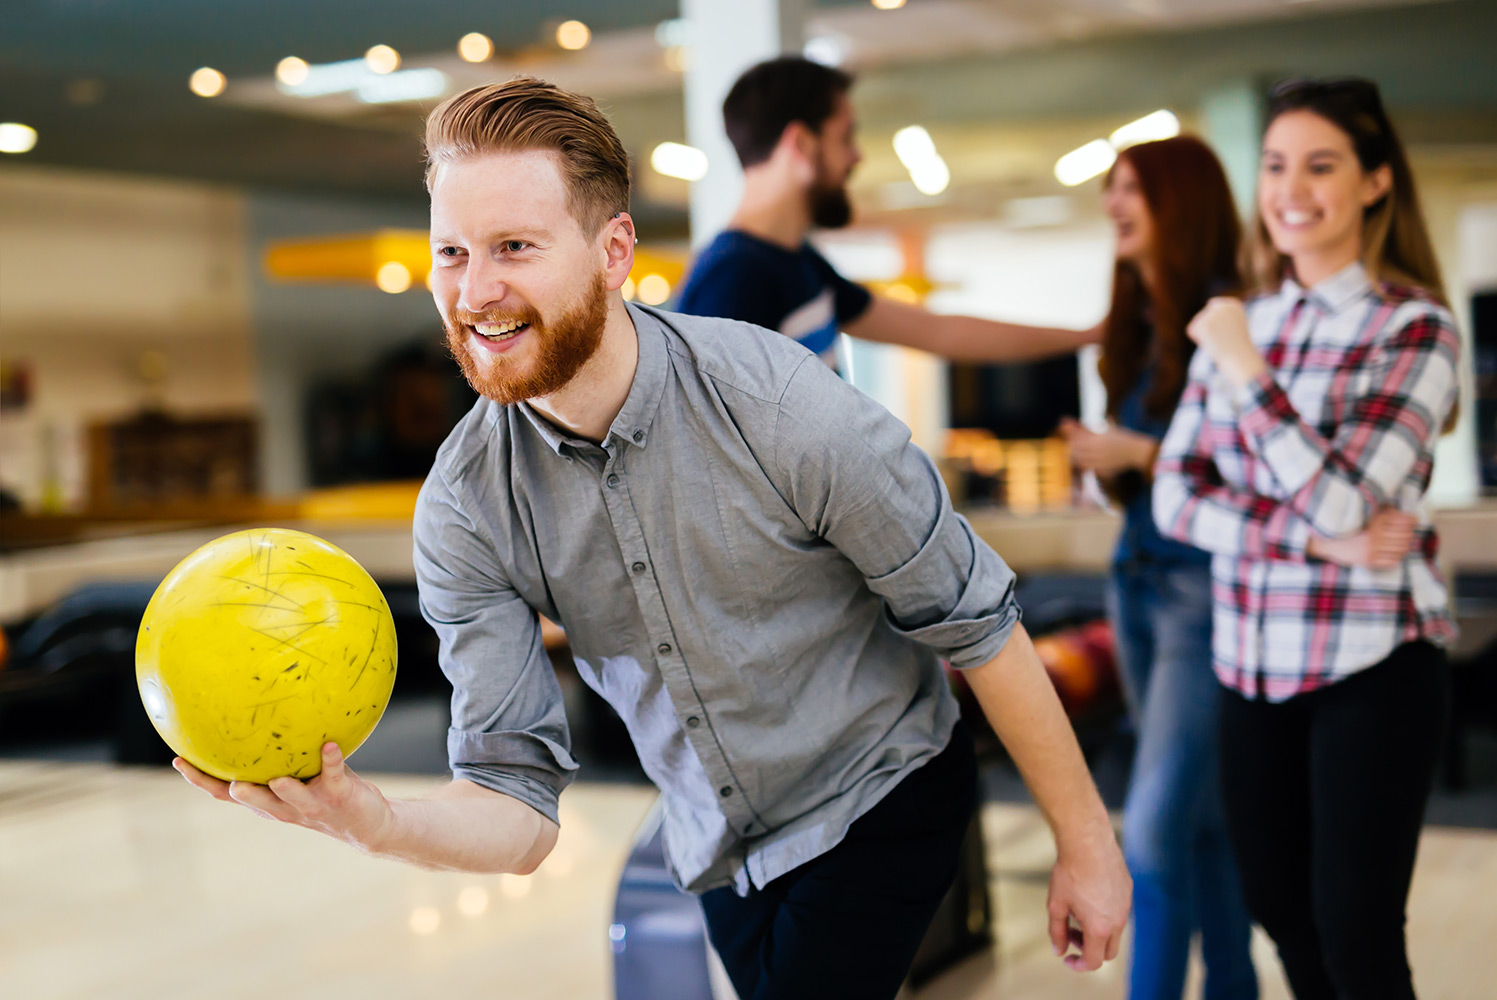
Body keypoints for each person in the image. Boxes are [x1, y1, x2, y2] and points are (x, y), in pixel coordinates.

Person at [172, 77, 1130, 999]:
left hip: (880, 790)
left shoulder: (778, 404)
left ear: (614, 249)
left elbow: (977, 620)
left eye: (514, 246)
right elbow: (518, 807)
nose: (476, 291)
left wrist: (1086, 844)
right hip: (716, 846)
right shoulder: (466, 505)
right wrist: (372, 821)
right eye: (452, 253)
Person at [1153, 77, 1460, 999]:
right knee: (1282, 916)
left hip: (1371, 661)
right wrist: (1316, 546)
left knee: (1356, 932)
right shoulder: (1238, 319)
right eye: (1277, 165)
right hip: (1250, 660)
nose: (1291, 187)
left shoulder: (1412, 330)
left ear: (1374, 183)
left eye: (1321, 165)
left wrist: (1245, 369)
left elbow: (1343, 500)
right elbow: (1173, 497)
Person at [1057, 136, 1258, 1000]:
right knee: (1203, 824)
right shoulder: (1137, 326)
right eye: (1110, 189)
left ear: (1179, 200)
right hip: (1134, 583)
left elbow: (1258, 465)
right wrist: (1105, 459)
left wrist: (1138, 448)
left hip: (1203, 593)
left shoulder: (1231, 318)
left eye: (1130, 188)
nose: (1112, 204)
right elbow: (1142, 478)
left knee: (1155, 833)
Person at [676, 56, 1099, 365]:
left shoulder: (798, 265)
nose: (856, 158)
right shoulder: (734, 280)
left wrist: (1091, 334)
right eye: (846, 137)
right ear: (801, 145)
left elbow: (940, 331)